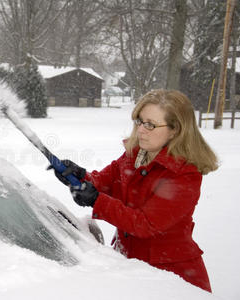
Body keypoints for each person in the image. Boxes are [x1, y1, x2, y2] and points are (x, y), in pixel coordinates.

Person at [51, 89, 218, 292]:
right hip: (127, 267)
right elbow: (103, 182)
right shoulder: (134, 156)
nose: (140, 130)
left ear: (175, 130)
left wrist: (96, 200)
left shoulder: (184, 175)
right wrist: (78, 176)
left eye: (150, 125)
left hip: (170, 278)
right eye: (139, 121)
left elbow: (145, 224)